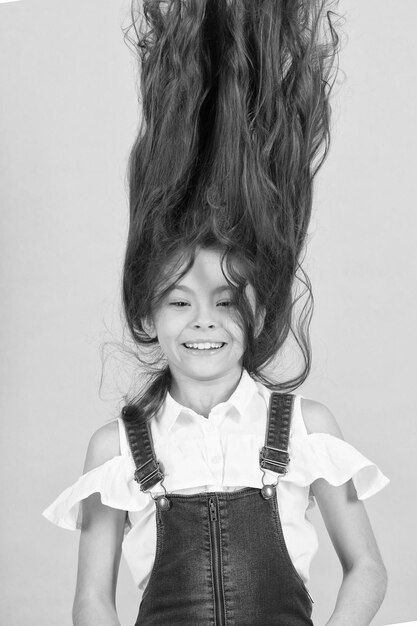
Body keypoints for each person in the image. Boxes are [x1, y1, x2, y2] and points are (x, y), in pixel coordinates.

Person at [43, 1, 389, 624]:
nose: (203, 321)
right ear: (146, 315)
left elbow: (366, 567)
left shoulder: (308, 428)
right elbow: (93, 599)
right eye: (179, 301)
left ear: (258, 311)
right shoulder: (115, 448)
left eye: (226, 301)